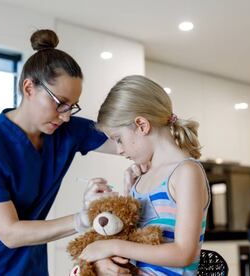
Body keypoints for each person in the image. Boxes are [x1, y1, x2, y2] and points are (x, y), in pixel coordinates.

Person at [0, 29, 123, 275]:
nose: (65, 116)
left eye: (71, 107)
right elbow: (10, 233)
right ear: (29, 87)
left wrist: (143, 164)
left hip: (25, 260)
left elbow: (127, 140)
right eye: (59, 103)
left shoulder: (67, 131)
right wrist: (83, 218)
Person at [79, 75, 211, 275]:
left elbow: (184, 253)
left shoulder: (186, 172)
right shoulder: (140, 178)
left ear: (142, 125)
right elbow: (132, 240)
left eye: (119, 139)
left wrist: (113, 246)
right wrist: (126, 193)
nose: (119, 150)